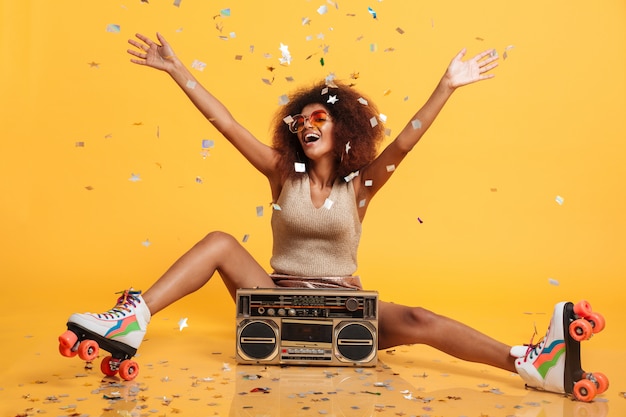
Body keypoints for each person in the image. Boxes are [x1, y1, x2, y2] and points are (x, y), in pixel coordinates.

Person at [64, 33, 606, 401]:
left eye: (318, 117)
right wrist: (177, 69)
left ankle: (533, 364)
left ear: (342, 128)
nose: (305, 124)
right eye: (299, 120)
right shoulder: (281, 171)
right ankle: (131, 319)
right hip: (276, 300)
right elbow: (225, 123)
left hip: (344, 305)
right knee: (221, 241)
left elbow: (405, 143)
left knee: (418, 320)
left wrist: (446, 86)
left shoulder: (362, 185)